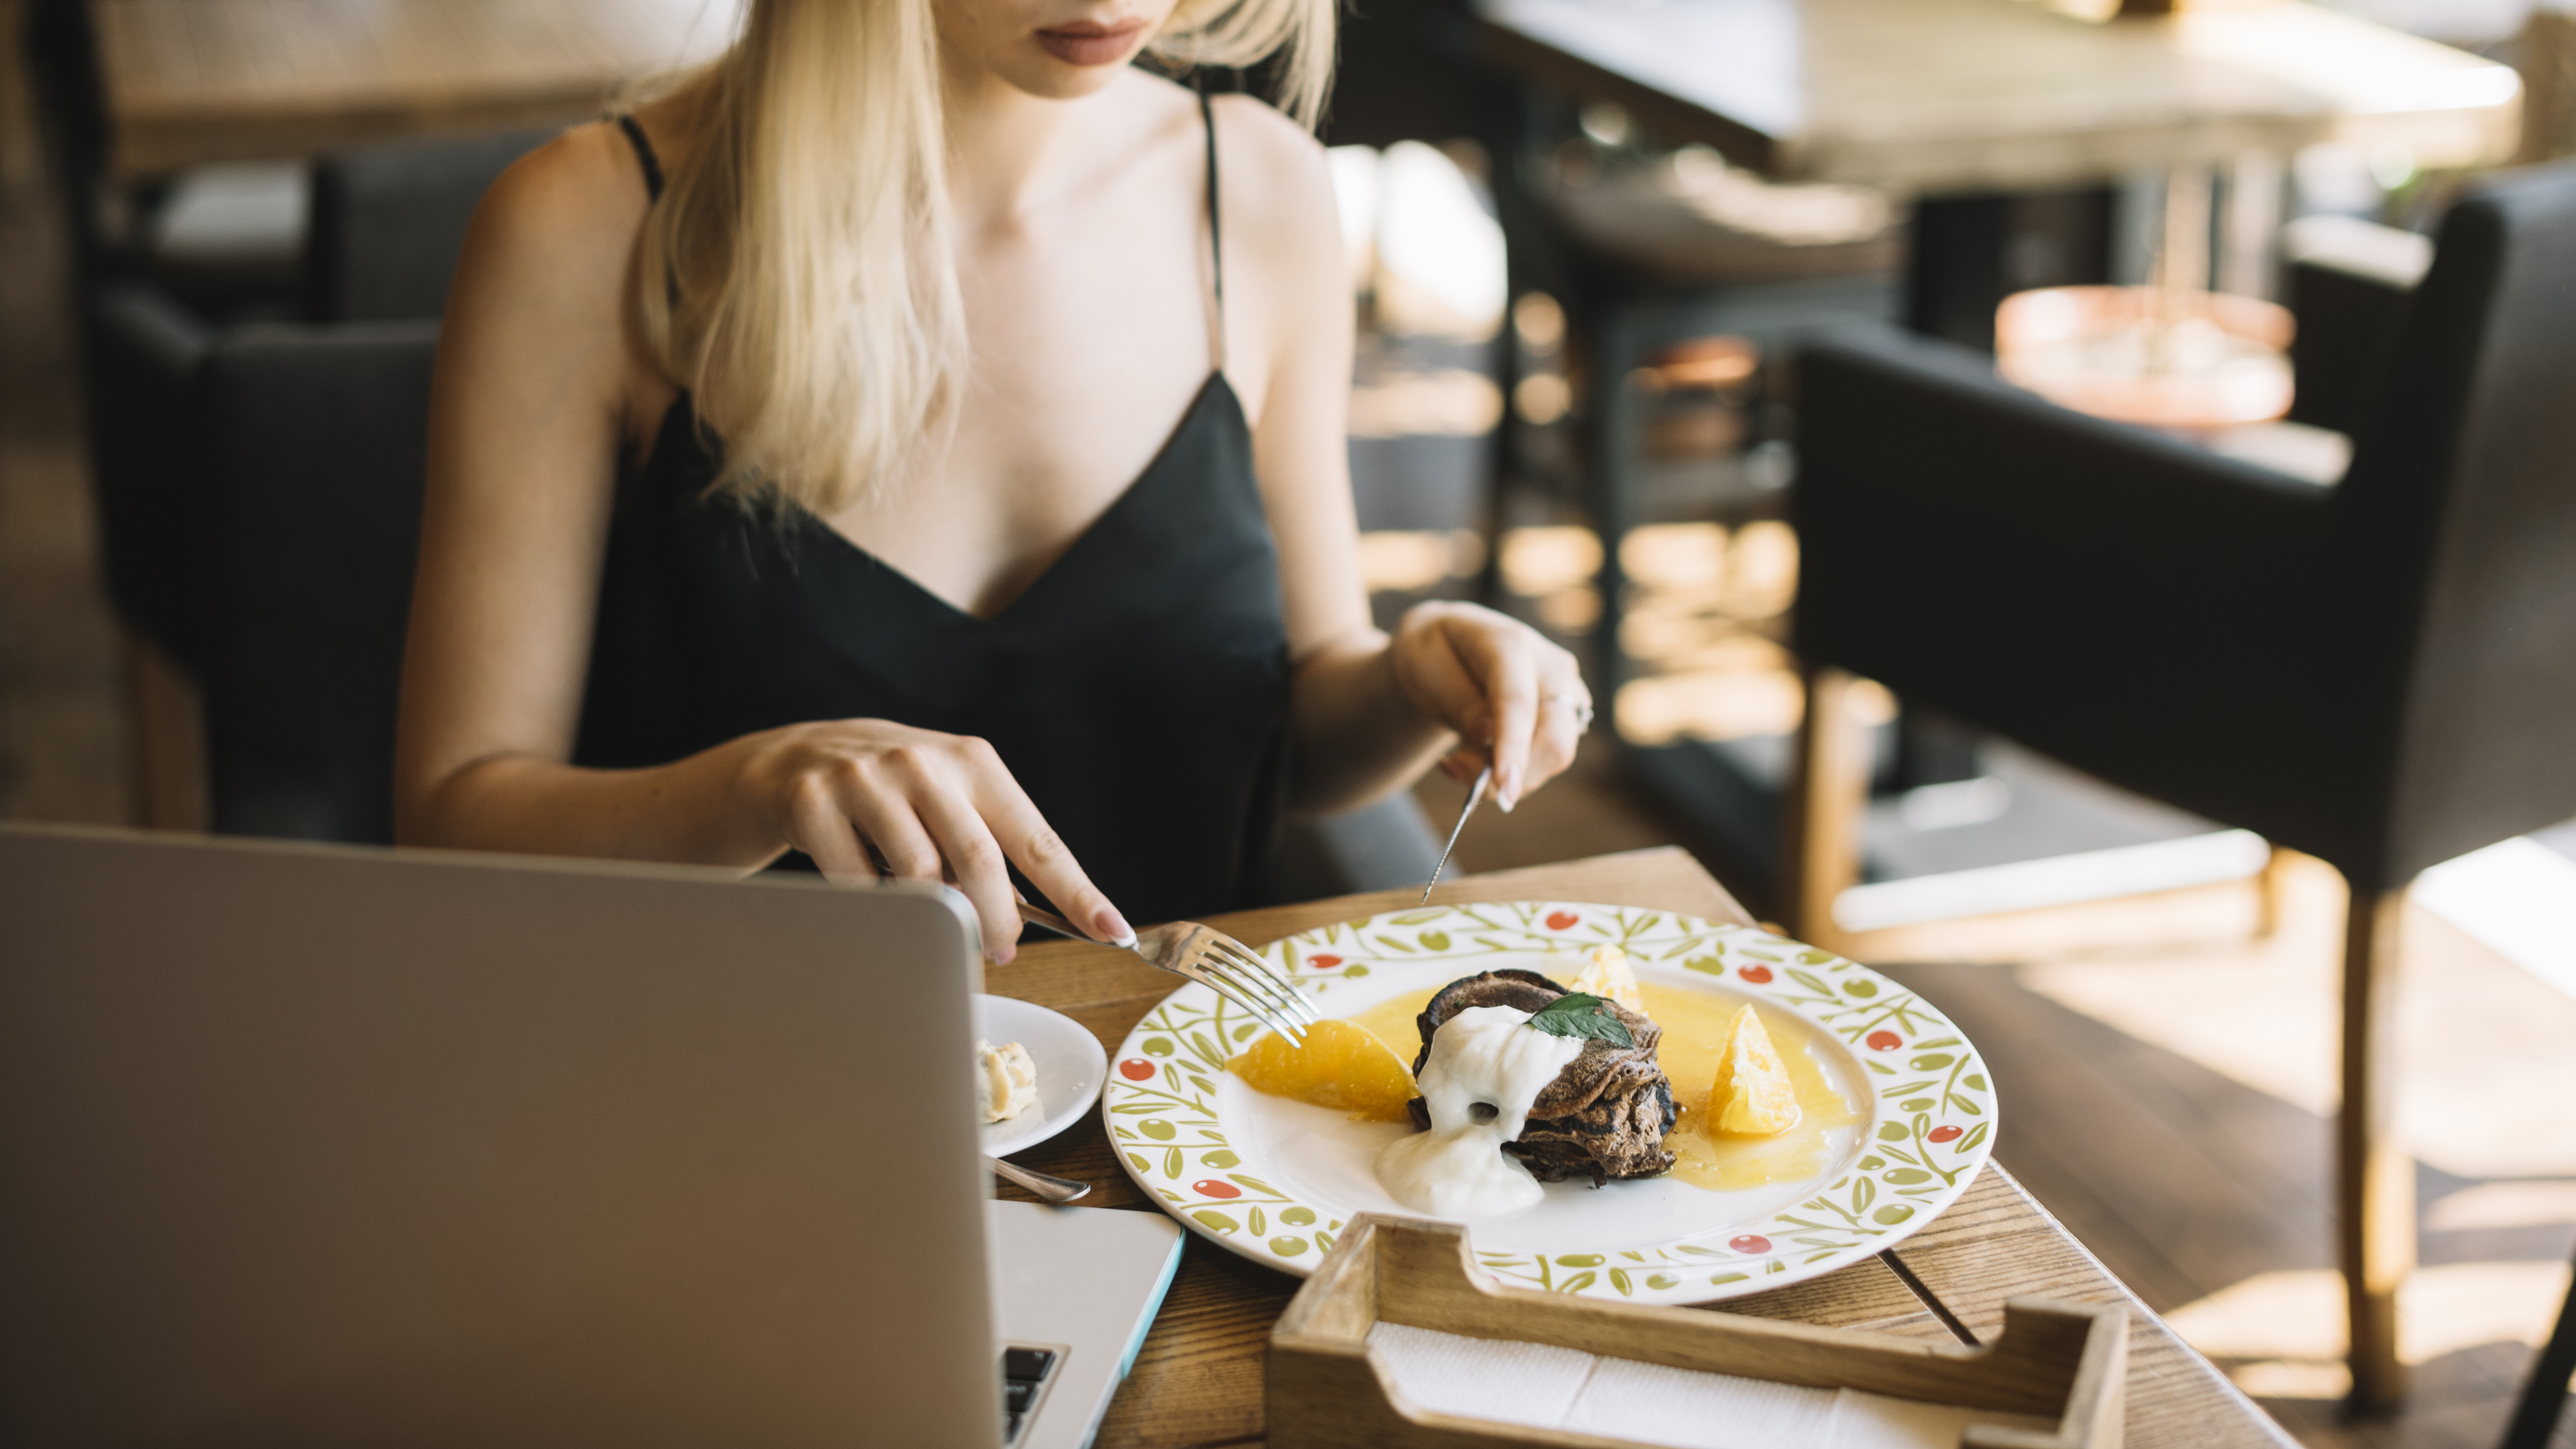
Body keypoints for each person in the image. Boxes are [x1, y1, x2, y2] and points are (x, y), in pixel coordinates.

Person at [392, 0, 1590, 964]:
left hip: (1185, 1123)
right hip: (731, 1107)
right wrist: (751, 790)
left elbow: (1294, 743)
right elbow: (451, 828)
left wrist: (1411, 678)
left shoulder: (1261, 193)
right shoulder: (586, 227)